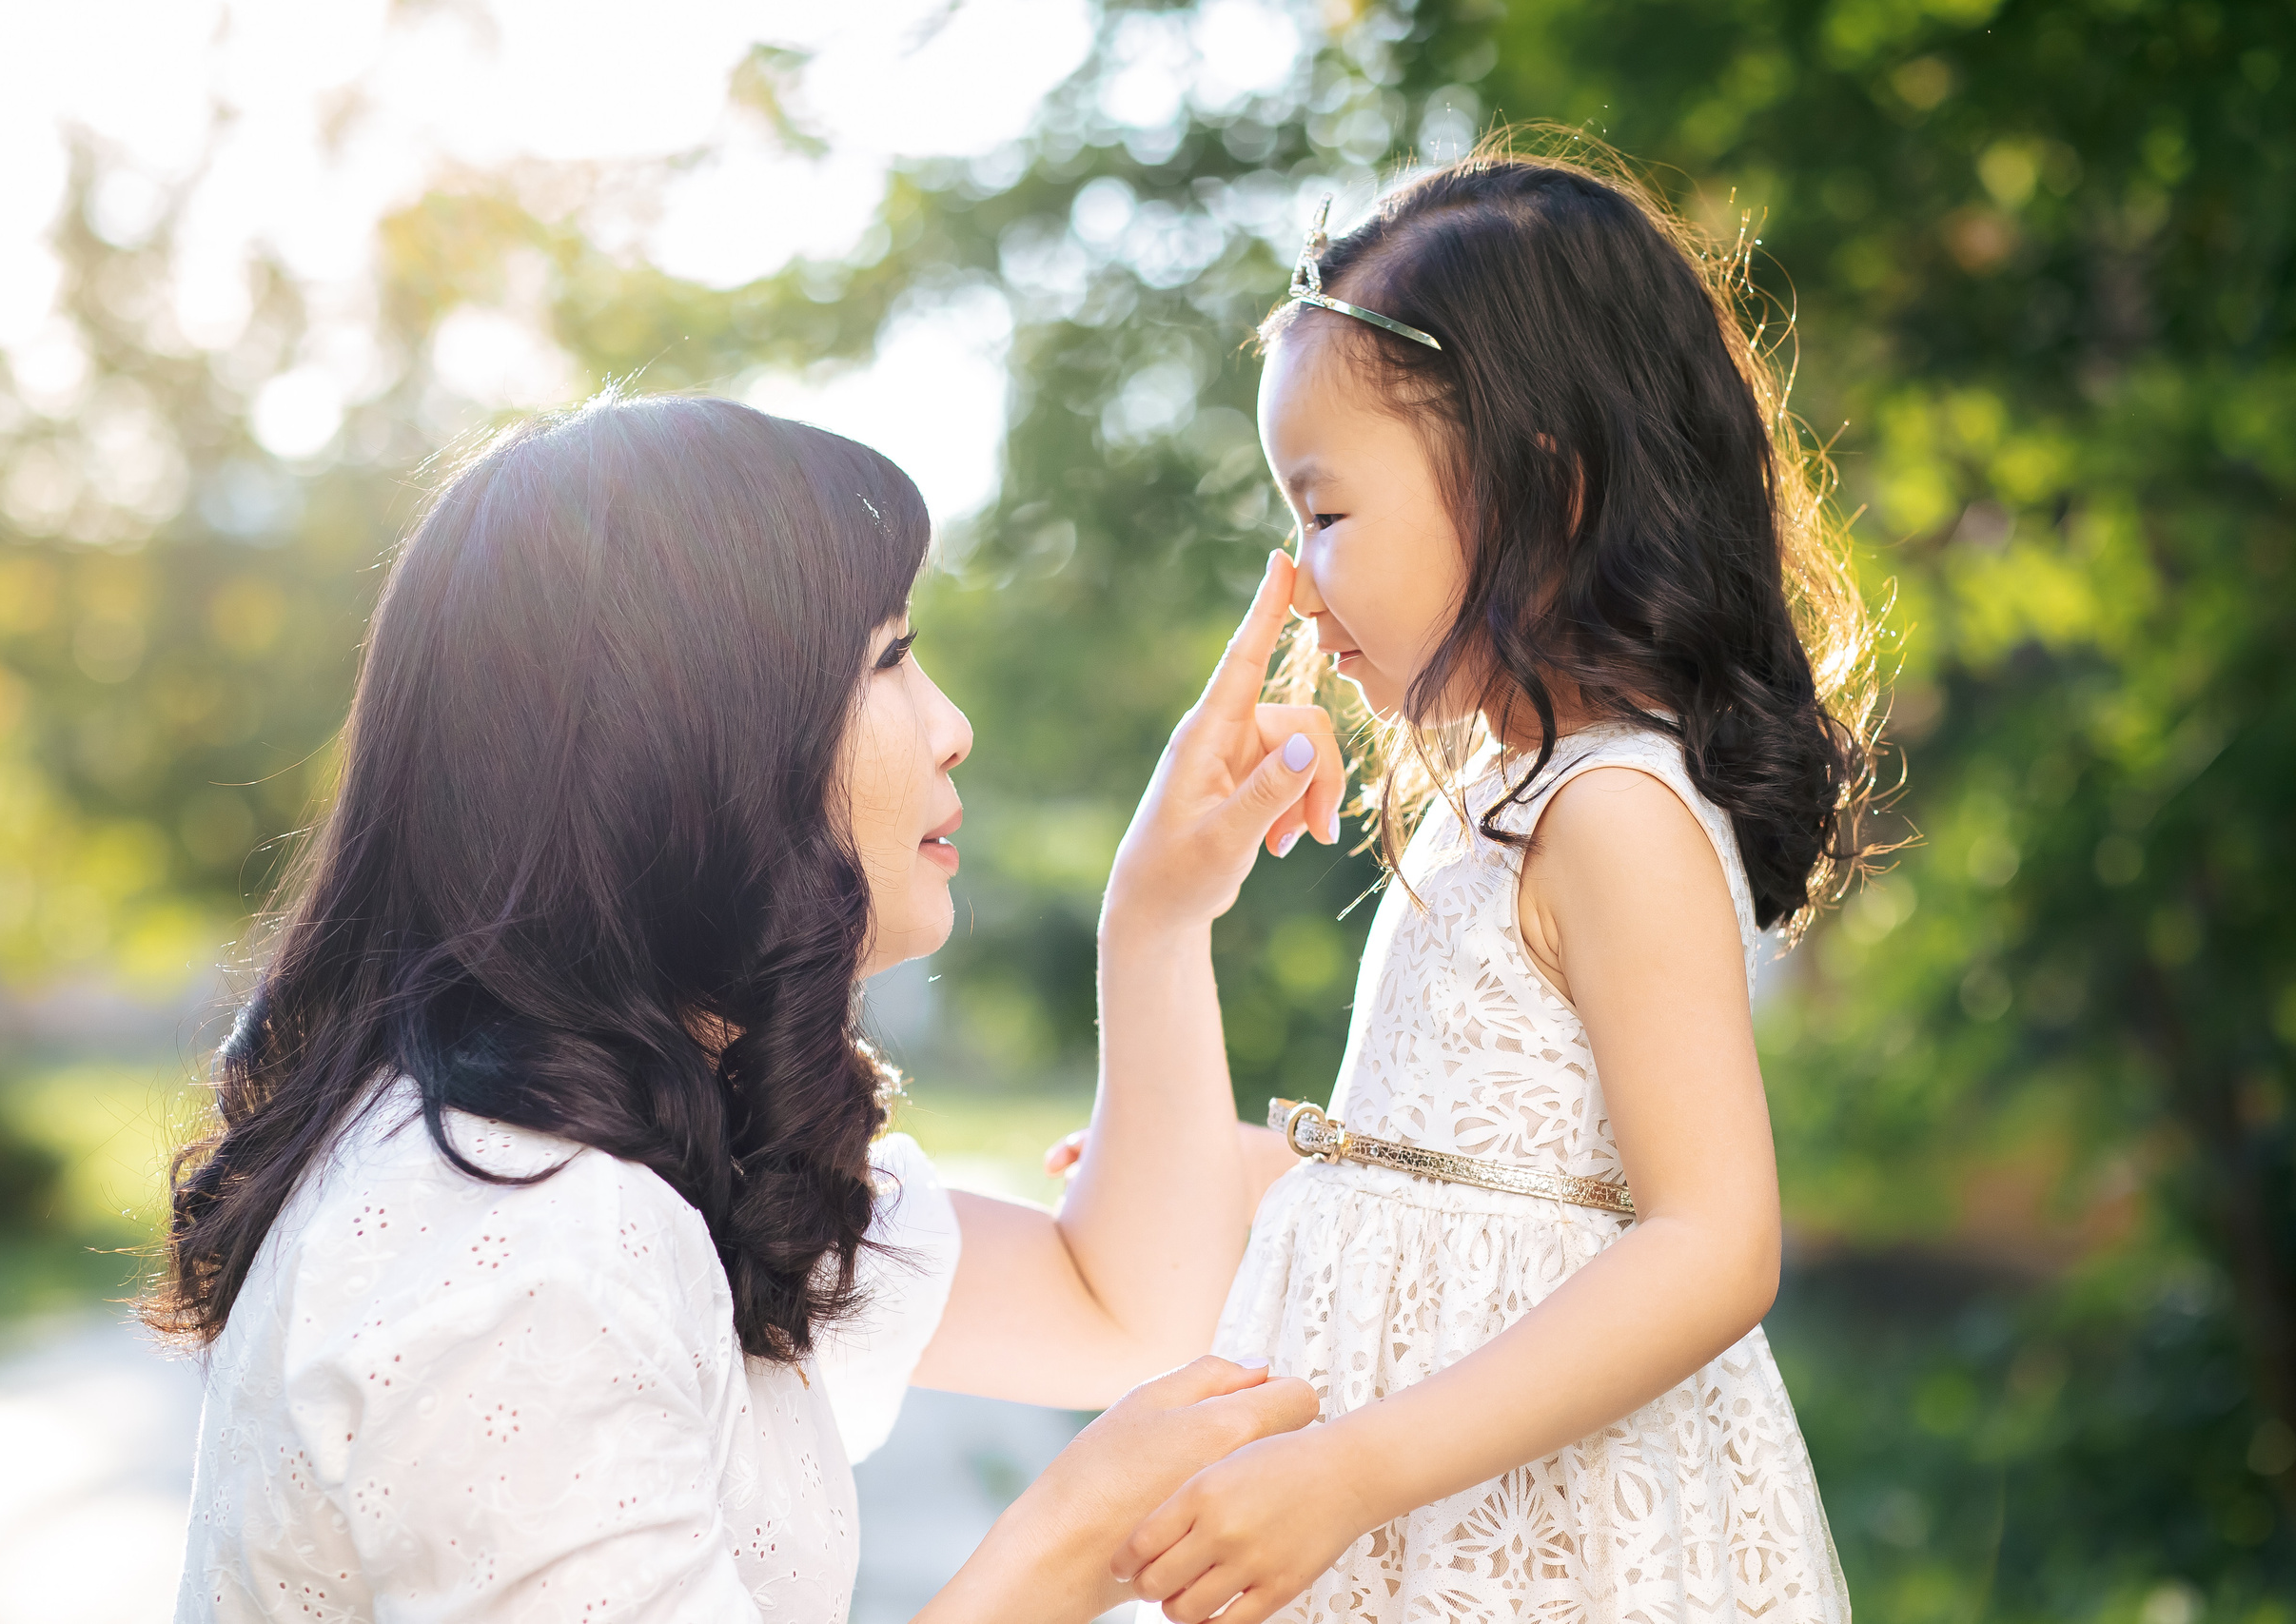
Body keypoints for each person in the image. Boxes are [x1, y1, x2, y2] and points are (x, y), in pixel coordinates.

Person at [147, 394, 1337, 1622]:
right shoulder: (525, 1240)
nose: (953, 727)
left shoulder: (654, 1130)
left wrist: (1157, 914)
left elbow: (1117, 1303)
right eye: (889, 659)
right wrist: (1073, 1541)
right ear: (694, 736)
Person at [1101, 138, 1881, 1623]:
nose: (1293, 579)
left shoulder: (1616, 812)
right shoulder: (1495, 800)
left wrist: (1352, 1473)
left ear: (1545, 490)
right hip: (1417, 1519)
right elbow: (1498, 1182)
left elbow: (1713, 1244)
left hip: (1533, 1532)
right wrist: (1276, 1181)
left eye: (1326, 515)